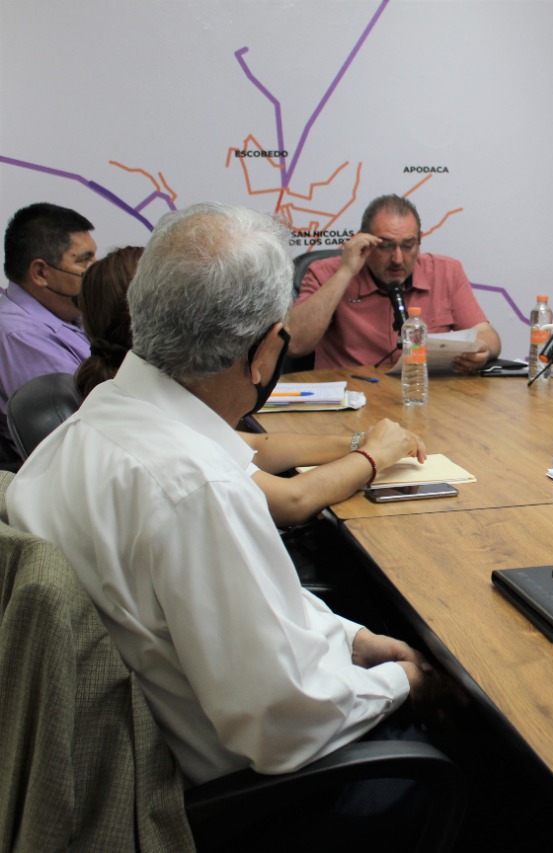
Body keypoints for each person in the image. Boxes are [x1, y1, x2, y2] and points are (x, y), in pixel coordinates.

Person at [7, 203, 438, 788]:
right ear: (266, 351)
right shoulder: (196, 490)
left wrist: (353, 639)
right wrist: (403, 683)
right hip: (242, 788)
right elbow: (283, 726)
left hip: (128, 746)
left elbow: (244, 607)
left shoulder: (90, 423)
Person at [74, 245, 427, 527]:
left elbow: (253, 446)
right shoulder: (163, 431)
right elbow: (292, 500)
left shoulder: (123, 393)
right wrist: (374, 457)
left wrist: (359, 442)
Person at [288, 194, 500, 372]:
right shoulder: (325, 273)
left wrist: (481, 349)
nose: (397, 259)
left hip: (421, 391)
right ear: (363, 241)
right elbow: (294, 344)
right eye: (386, 246)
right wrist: (345, 272)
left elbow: (487, 335)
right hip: (352, 395)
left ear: (419, 241)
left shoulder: (446, 272)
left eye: (408, 245)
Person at [0, 202, 96, 453]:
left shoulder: (69, 312)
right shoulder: (20, 335)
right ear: (41, 273)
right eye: (84, 261)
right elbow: (86, 426)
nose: (96, 270)